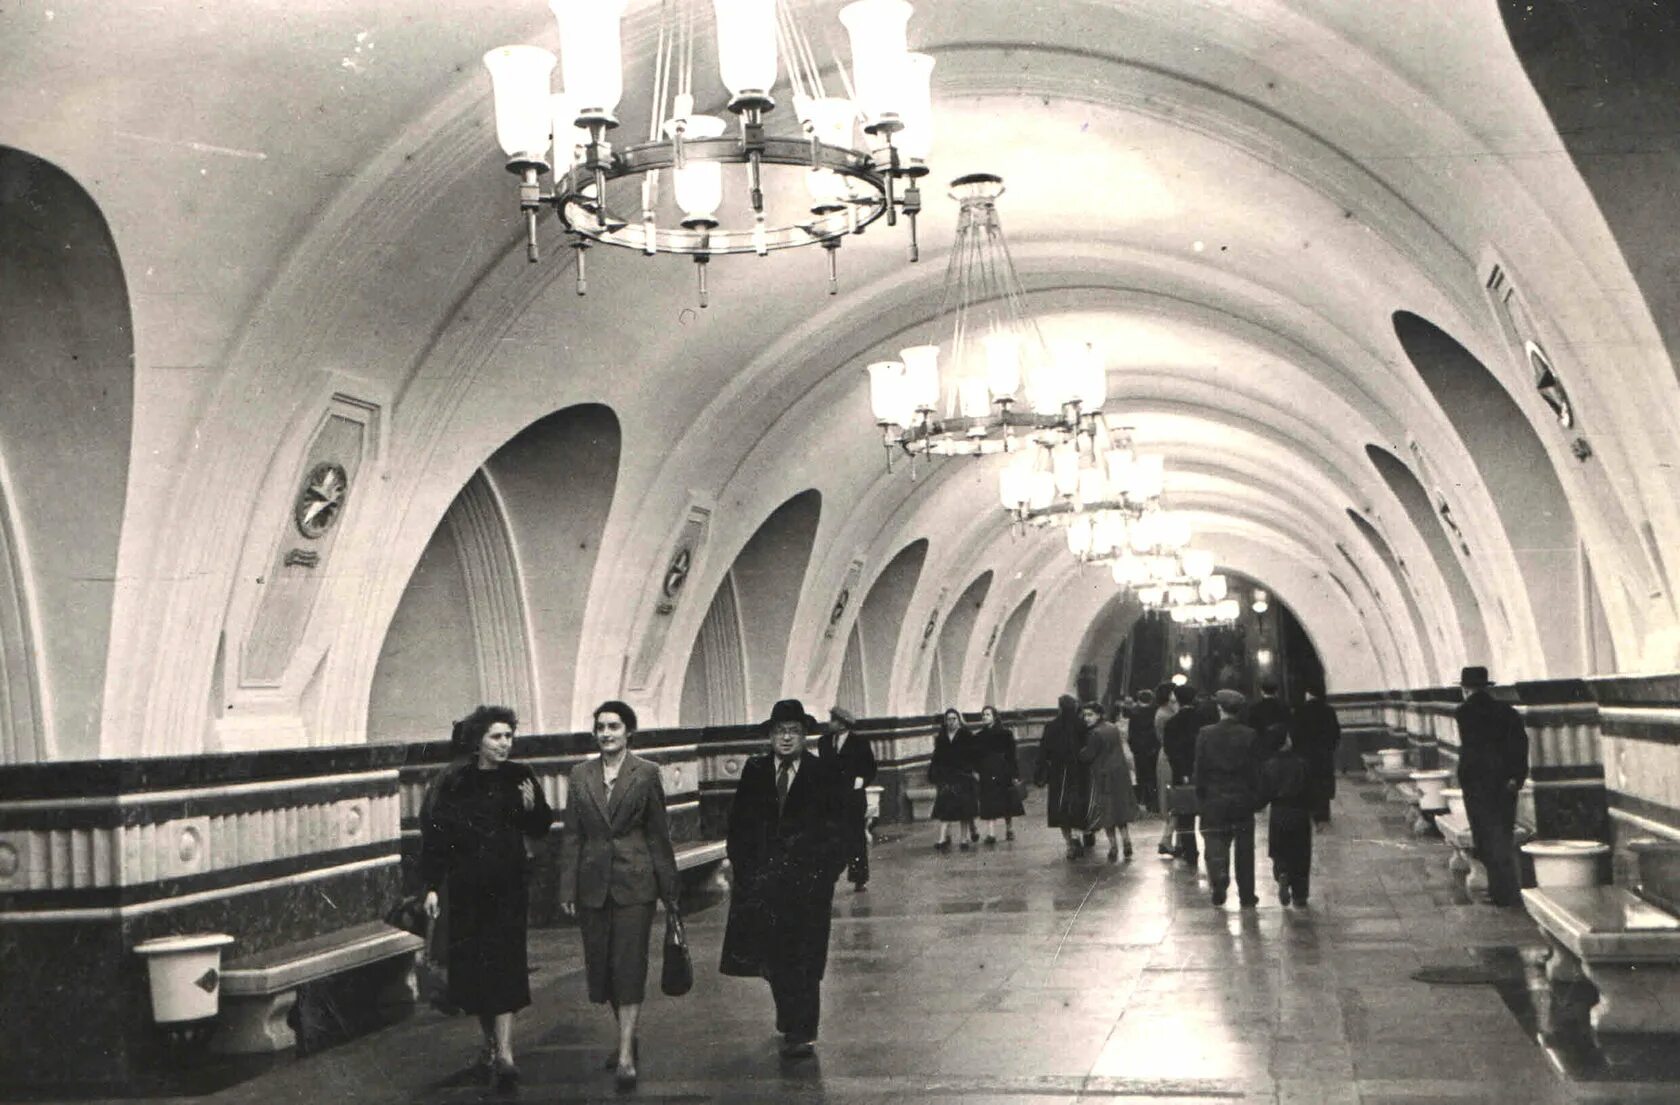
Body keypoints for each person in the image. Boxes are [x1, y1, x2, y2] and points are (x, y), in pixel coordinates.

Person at [420, 705, 555, 1091]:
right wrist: (431, 886)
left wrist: (532, 810)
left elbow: (541, 825)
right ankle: (490, 1044)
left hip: (508, 888)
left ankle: (507, 1053)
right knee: (476, 971)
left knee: (506, 965)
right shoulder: (456, 782)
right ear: (478, 740)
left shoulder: (520, 776)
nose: (505, 744)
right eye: (497, 737)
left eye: (509, 736)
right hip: (466, 891)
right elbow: (436, 838)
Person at [557, 700, 681, 1091]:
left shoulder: (646, 774)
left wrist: (669, 889)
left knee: (628, 963)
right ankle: (626, 1034)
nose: (606, 733)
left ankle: (626, 1051)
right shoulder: (580, 775)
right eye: (600, 727)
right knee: (604, 968)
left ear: (629, 731)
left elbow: (658, 834)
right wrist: (567, 886)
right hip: (593, 884)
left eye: (614, 726)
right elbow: (572, 834)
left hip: (635, 883)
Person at [720, 699, 846, 1059]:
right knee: (774, 957)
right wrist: (745, 871)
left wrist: (825, 876)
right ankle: (789, 1014)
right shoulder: (755, 770)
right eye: (779, 731)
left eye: (793, 731)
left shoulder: (823, 772)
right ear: (770, 736)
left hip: (808, 886)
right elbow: (739, 823)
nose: (786, 738)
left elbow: (838, 828)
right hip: (765, 884)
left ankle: (803, 1029)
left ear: (805, 735)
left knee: (805, 956)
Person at [1454, 666, 1529, 907]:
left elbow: (1470, 752)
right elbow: (1520, 744)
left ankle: (1499, 892)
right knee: (1502, 835)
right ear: (1487, 687)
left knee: (1484, 837)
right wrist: (1516, 777)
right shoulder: (1507, 711)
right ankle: (1506, 890)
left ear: (1465, 689)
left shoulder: (1464, 713)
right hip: (1504, 784)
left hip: (1477, 785)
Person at [1194, 689, 1265, 907]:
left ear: (1219, 708)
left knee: (1215, 841)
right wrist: (1255, 798)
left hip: (1214, 797)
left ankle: (1219, 879)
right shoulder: (1250, 734)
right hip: (1242, 797)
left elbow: (1200, 768)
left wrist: (1201, 794)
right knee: (1245, 849)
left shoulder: (1205, 733)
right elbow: (1256, 770)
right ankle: (1246, 895)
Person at [818, 705, 877, 890]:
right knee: (832, 838)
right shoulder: (824, 742)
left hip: (852, 799)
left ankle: (859, 878)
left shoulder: (859, 743)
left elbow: (870, 768)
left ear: (843, 724)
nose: (830, 724)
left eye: (833, 720)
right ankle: (831, 875)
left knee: (856, 838)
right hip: (831, 799)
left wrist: (862, 781)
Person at [1078, 700, 1138, 862]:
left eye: (1090, 715)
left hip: (1103, 775)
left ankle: (1113, 847)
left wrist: (1079, 752)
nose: (1086, 718)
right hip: (1119, 773)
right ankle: (1127, 841)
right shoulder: (1113, 728)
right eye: (1085, 715)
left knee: (1107, 813)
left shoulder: (1094, 733)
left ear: (1098, 715)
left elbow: (1088, 755)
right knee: (1120, 810)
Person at [1260, 723, 1313, 905]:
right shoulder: (1301, 763)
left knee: (1279, 850)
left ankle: (1282, 873)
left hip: (1278, 812)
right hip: (1299, 812)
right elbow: (1310, 789)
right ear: (1286, 741)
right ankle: (1300, 895)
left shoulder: (1268, 766)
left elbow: (1264, 793)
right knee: (1301, 853)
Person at [1034, 694, 1092, 860]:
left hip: (1058, 773)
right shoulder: (1082, 725)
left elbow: (1043, 751)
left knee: (1061, 808)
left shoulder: (1051, 726)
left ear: (1059, 708)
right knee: (1078, 806)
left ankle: (1069, 844)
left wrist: (1040, 773)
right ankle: (1077, 835)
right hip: (1079, 772)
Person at [1161, 683, 1202, 866]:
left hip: (1182, 773)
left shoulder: (1172, 723)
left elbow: (1171, 751)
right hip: (1203, 771)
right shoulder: (1204, 720)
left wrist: (1182, 771)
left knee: (1185, 816)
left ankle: (1190, 852)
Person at [929, 707, 981, 851]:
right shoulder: (941, 737)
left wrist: (973, 770)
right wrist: (935, 774)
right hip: (947, 776)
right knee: (946, 807)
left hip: (963, 775)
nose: (951, 722)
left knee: (964, 809)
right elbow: (937, 757)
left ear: (959, 720)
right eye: (948, 719)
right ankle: (942, 838)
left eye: (954, 719)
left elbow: (973, 754)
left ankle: (964, 839)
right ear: (945, 721)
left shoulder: (966, 735)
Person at [1292, 681, 1342, 829]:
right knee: (1323, 783)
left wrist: (1297, 751)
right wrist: (1330, 748)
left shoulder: (1300, 710)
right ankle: (1323, 815)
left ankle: (1309, 810)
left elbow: (1295, 733)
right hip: (1324, 754)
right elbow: (1335, 733)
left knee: (1308, 782)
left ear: (1308, 694)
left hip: (1305, 754)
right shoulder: (1328, 710)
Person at [973, 704, 1025, 843]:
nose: (985, 717)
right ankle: (991, 834)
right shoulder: (978, 736)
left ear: (994, 717)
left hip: (1003, 770)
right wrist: (976, 771)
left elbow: (1012, 755)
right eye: (983, 715)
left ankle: (1009, 829)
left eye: (988, 714)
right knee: (988, 802)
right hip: (986, 771)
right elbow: (975, 756)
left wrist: (1014, 774)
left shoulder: (1005, 734)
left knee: (1006, 801)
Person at [1153, 682, 1181, 854]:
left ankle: (1173, 840)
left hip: (1165, 755)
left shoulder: (1162, 712)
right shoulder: (1167, 715)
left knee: (1171, 798)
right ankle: (1167, 839)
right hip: (1171, 757)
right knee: (1175, 799)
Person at [1127, 689, 1160, 814]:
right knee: (1153, 776)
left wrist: (1134, 748)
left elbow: (1131, 734)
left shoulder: (1133, 713)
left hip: (1139, 750)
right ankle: (1154, 803)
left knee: (1142, 776)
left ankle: (1143, 801)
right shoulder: (1155, 712)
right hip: (1153, 748)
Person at [1246, 678, 1290, 753]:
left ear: (1262, 692)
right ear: (1276, 692)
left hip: (1262, 747)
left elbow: (1252, 730)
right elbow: (1288, 726)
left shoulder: (1254, 708)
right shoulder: (1284, 707)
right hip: (1281, 746)